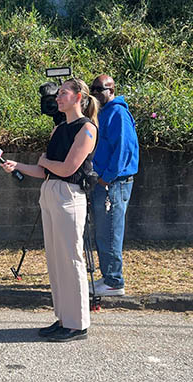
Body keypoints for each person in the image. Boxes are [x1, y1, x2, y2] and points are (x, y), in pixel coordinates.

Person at [1, 78, 99, 342]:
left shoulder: (87, 129)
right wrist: (18, 165)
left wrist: (44, 161)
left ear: (79, 97)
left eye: (64, 93)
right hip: (51, 193)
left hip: (69, 195)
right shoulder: (59, 130)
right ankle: (64, 318)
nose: (58, 97)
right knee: (55, 261)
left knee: (71, 259)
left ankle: (78, 324)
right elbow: (44, 170)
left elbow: (67, 168)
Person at [89, 75, 139, 297]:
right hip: (107, 181)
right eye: (94, 89)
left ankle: (114, 282)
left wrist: (106, 178)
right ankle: (109, 276)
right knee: (103, 231)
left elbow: (124, 149)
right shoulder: (104, 113)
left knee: (110, 231)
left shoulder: (117, 113)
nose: (97, 93)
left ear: (112, 90)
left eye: (101, 89)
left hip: (114, 184)